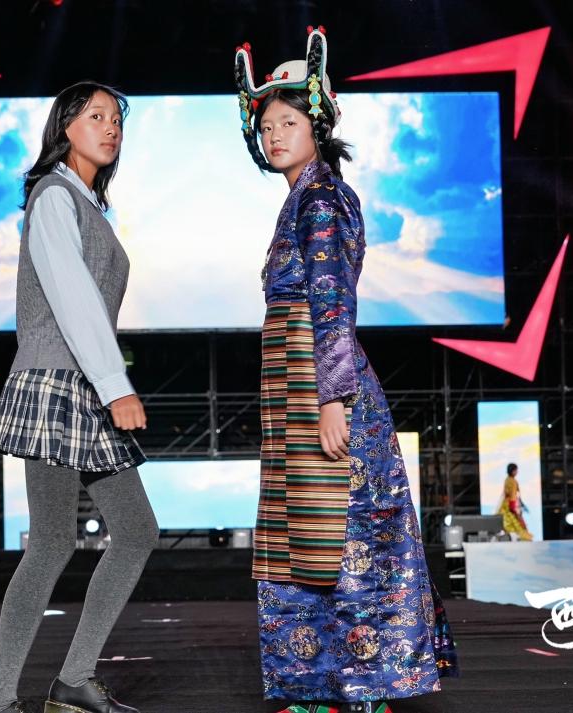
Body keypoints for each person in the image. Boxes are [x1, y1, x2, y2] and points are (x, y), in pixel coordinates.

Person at [234, 27, 458, 713]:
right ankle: (320, 684)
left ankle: (364, 687)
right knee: (304, 539)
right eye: (266, 126)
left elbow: (331, 300)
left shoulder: (322, 198)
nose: (274, 135)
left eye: (288, 122)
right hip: (297, 387)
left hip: (321, 386)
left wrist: (332, 397)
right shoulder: (303, 197)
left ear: (317, 125)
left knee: (344, 536)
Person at [0, 81, 159, 713]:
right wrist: (116, 386)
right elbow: (74, 299)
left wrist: (106, 384)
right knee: (55, 542)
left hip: (81, 384)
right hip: (58, 383)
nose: (110, 128)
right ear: (64, 127)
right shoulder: (54, 195)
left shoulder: (84, 201)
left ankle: (72, 681)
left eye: (116, 120)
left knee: (134, 531)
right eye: (95, 116)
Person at [496, 463, 533, 541]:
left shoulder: (507, 480)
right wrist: (515, 508)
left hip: (505, 505)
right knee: (517, 525)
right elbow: (513, 495)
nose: (517, 472)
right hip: (511, 506)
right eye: (516, 470)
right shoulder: (513, 481)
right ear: (513, 471)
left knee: (506, 524)